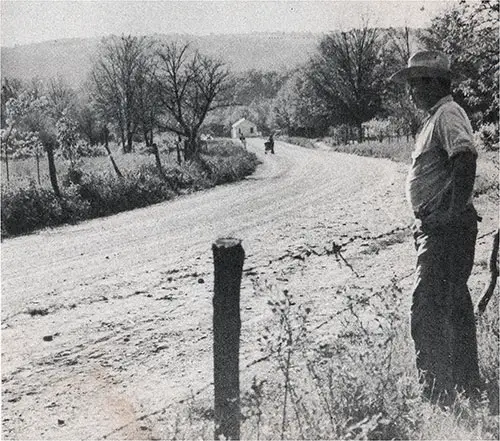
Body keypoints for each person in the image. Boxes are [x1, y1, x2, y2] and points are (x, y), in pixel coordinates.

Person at [390, 50, 481, 405]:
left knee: (426, 304)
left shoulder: (448, 114)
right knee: (454, 302)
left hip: (446, 229)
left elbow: (465, 157)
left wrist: (452, 212)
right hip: (441, 227)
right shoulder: (436, 117)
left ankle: (437, 394)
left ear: (433, 83)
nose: (411, 91)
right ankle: (465, 384)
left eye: (415, 84)